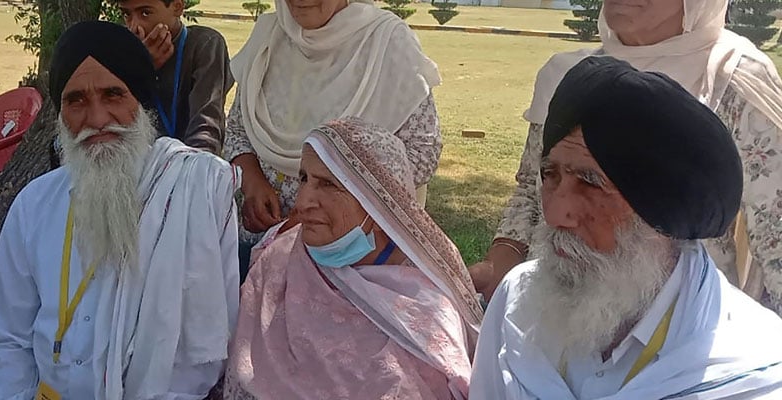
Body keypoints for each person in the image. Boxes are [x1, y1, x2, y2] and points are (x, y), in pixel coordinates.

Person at [469, 56, 782, 400]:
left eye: (591, 183)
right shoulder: (517, 299)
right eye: (550, 175)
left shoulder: (754, 376)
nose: (556, 213)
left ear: (661, 211)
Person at [469, 0, 782, 314]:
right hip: (555, 310)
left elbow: (776, 233)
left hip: (679, 328)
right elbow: (531, 187)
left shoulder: (734, 82)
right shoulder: (568, 73)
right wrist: (501, 262)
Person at [0, 22, 239, 399]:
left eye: (113, 94)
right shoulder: (34, 205)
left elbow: (219, 334)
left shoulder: (197, 190)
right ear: (61, 114)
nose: (97, 119)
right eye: (77, 101)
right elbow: (8, 340)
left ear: (141, 102)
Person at [219, 118, 483, 399]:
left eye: (329, 184)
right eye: (304, 179)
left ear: (379, 202)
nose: (303, 202)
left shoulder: (426, 313)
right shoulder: (281, 259)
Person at [225, 0, 443, 274]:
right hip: (262, 247)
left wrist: (325, 210)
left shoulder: (387, 41)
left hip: (350, 258)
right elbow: (236, 129)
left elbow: (422, 152)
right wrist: (253, 184)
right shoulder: (269, 36)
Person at [117, 0, 234, 154]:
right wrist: (142, 70)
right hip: (140, 163)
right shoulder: (121, 52)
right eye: (127, 15)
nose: (133, 26)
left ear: (177, 7)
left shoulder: (204, 44)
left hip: (189, 162)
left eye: (145, 13)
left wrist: (195, 167)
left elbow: (206, 127)